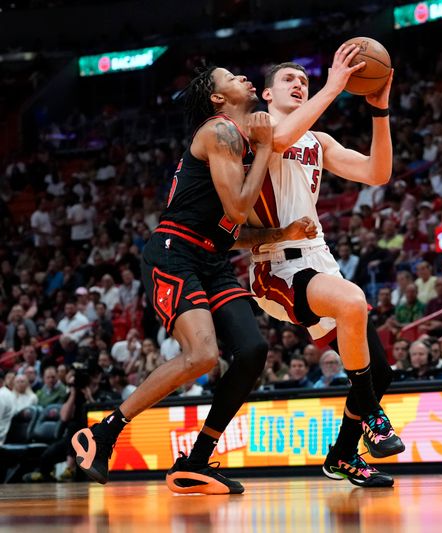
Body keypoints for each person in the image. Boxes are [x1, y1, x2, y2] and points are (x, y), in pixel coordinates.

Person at [71, 66, 274, 495]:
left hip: (211, 257)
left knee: (253, 350)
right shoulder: (220, 131)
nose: (244, 78)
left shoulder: (238, 143)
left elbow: (233, 232)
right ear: (218, 99)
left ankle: (197, 460)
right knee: (202, 356)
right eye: (232, 77)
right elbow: (239, 210)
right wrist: (268, 147)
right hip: (174, 252)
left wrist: (283, 234)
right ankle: (103, 432)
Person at [235, 49, 400, 488]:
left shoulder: (319, 142)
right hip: (275, 269)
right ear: (267, 93)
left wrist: (379, 111)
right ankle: (374, 419)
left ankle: (343, 455)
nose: (299, 84)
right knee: (353, 300)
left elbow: (377, 173)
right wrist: (333, 86)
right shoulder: (259, 128)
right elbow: (281, 140)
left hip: (318, 260)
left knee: (379, 371)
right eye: (289, 79)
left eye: (304, 81)